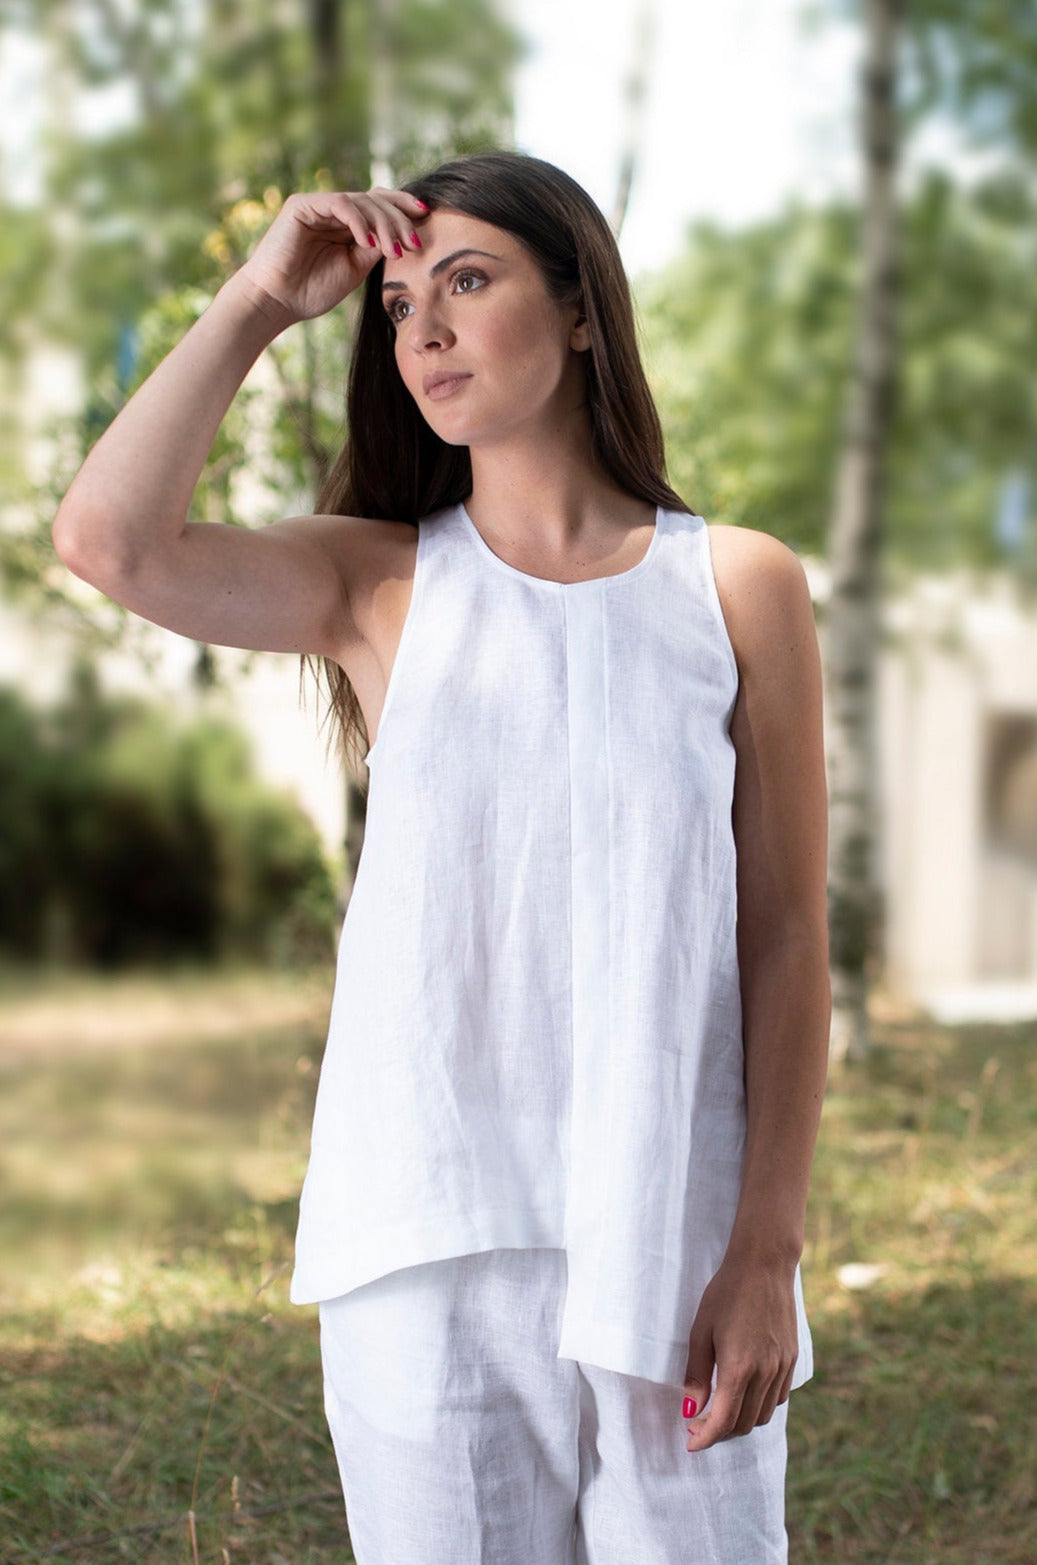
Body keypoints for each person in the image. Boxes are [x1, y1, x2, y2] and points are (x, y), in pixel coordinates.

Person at [52, 149, 831, 1564]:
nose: (421, 328)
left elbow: (783, 936)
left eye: (466, 281)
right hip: (428, 1244)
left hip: (674, 1223)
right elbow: (108, 541)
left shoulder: (737, 585)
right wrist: (257, 301)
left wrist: (765, 1247)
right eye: (400, 300)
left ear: (582, 307)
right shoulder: (376, 583)